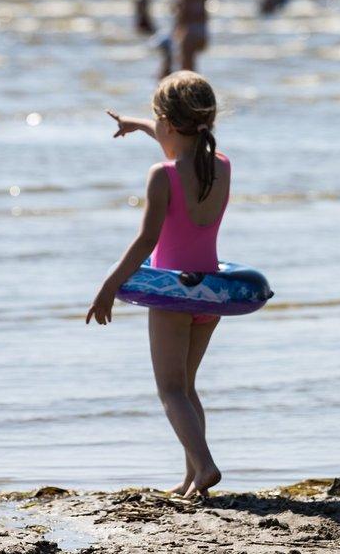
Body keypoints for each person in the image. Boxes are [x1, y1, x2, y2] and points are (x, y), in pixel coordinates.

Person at [87, 71, 229, 498]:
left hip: (172, 294)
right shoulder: (220, 167)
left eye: (156, 122)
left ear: (169, 123)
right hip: (211, 293)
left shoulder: (161, 175)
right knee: (186, 388)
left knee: (170, 390)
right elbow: (179, 139)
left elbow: (147, 240)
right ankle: (192, 479)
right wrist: (137, 123)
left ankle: (204, 467)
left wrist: (109, 284)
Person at [170, 0, 209, 73]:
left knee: (186, 64)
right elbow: (204, 12)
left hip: (189, 29)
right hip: (201, 28)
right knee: (192, 62)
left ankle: (187, 89)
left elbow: (183, 12)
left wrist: (177, 30)